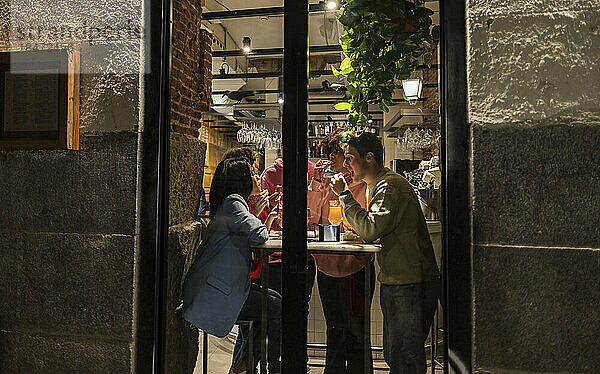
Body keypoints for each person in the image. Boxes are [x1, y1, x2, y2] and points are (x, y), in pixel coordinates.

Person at [330, 132, 440, 374]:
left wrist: (345, 196)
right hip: (401, 280)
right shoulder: (380, 184)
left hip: (409, 283)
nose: (347, 164)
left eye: (350, 158)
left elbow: (370, 229)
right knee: (396, 354)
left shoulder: (389, 185)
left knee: (405, 357)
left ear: (369, 158)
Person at [182, 157, 281, 373]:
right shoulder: (233, 201)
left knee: (274, 302)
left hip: (217, 288)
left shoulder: (231, 203)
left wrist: (255, 214)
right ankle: (245, 364)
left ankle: (245, 363)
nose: (257, 176)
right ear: (242, 180)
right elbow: (259, 233)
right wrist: (257, 215)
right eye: (253, 173)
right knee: (275, 306)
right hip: (213, 294)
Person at [307, 130, 375, 373]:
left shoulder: (362, 184)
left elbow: (368, 225)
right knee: (335, 329)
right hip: (327, 265)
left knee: (358, 331)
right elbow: (313, 218)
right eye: (334, 156)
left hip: (354, 265)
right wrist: (315, 183)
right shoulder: (326, 184)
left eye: (339, 156)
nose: (334, 162)